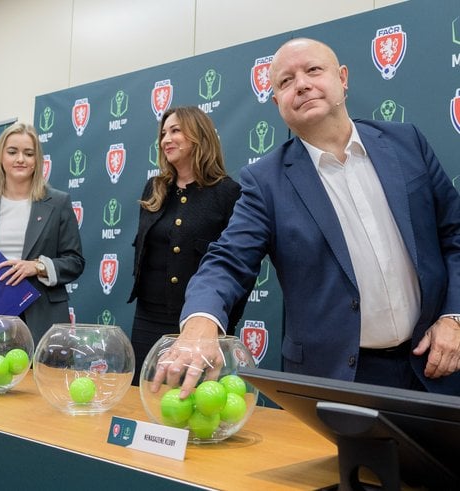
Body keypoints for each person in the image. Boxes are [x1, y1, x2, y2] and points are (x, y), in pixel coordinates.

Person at [153, 38, 460, 398]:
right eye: (285, 81)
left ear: (342, 78)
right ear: (277, 102)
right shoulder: (264, 181)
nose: (301, 84)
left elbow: (454, 235)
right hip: (336, 378)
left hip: (436, 363)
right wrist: (202, 320)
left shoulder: (407, 143)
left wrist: (454, 316)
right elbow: (228, 260)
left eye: (314, 70)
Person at [128, 106, 249, 384]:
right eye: (163, 133)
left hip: (197, 323)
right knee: (146, 393)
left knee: (193, 402)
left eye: (175, 131)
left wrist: (221, 325)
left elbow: (236, 263)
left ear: (199, 136)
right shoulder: (154, 188)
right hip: (147, 318)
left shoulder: (227, 192)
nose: (165, 139)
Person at [0, 122, 85, 344]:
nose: (20, 159)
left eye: (29, 153)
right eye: (12, 152)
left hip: (44, 318)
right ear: (0, 157)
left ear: (37, 161)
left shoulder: (58, 202)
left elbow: (75, 262)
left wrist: (36, 266)